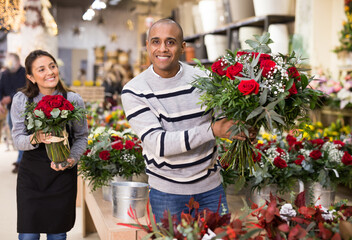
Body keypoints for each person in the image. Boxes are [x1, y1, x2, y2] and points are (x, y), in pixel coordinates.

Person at [121, 18, 256, 223]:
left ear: (183, 47)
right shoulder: (134, 91)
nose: (163, 49)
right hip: (167, 192)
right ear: (147, 46)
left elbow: (223, 120)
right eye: (156, 42)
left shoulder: (204, 79)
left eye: (171, 42)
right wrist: (212, 130)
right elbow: (159, 144)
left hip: (211, 188)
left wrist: (242, 130)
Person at [11, 50, 88, 240]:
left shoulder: (73, 100)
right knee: (28, 235)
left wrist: (71, 159)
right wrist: (35, 138)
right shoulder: (22, 100)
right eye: (42, 69)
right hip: (31, 177)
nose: (50, 72)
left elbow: (81, 137)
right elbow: (17, 139)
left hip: (61, 175)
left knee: (57, 234)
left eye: (52, 66)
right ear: (31, 76)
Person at [0, 53, 27, 173]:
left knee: (22, 132)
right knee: (14, 132)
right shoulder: (4, 74)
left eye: (13, 63)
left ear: (18, 62)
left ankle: (21, 161)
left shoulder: (25, 73)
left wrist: (11, 97)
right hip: (11, 108)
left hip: (25, 107)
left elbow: (25, 88)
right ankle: (21, 159)